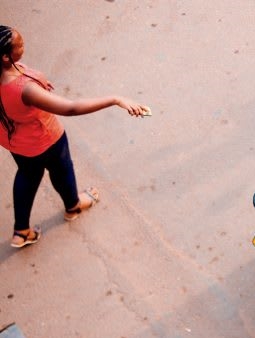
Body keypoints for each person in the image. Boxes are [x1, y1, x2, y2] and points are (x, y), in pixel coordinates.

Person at [0, 25, 150, 249]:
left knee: (27, 176)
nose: (24, 45)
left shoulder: (8, 75)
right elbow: (70, 108)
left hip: (15, 142)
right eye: (19, 45)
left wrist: (38, 89)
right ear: (4, 57)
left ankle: (21, 231)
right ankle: (73, 206)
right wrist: (115, 99)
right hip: (45, 139)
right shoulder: (25, 90)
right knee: (62, 169)